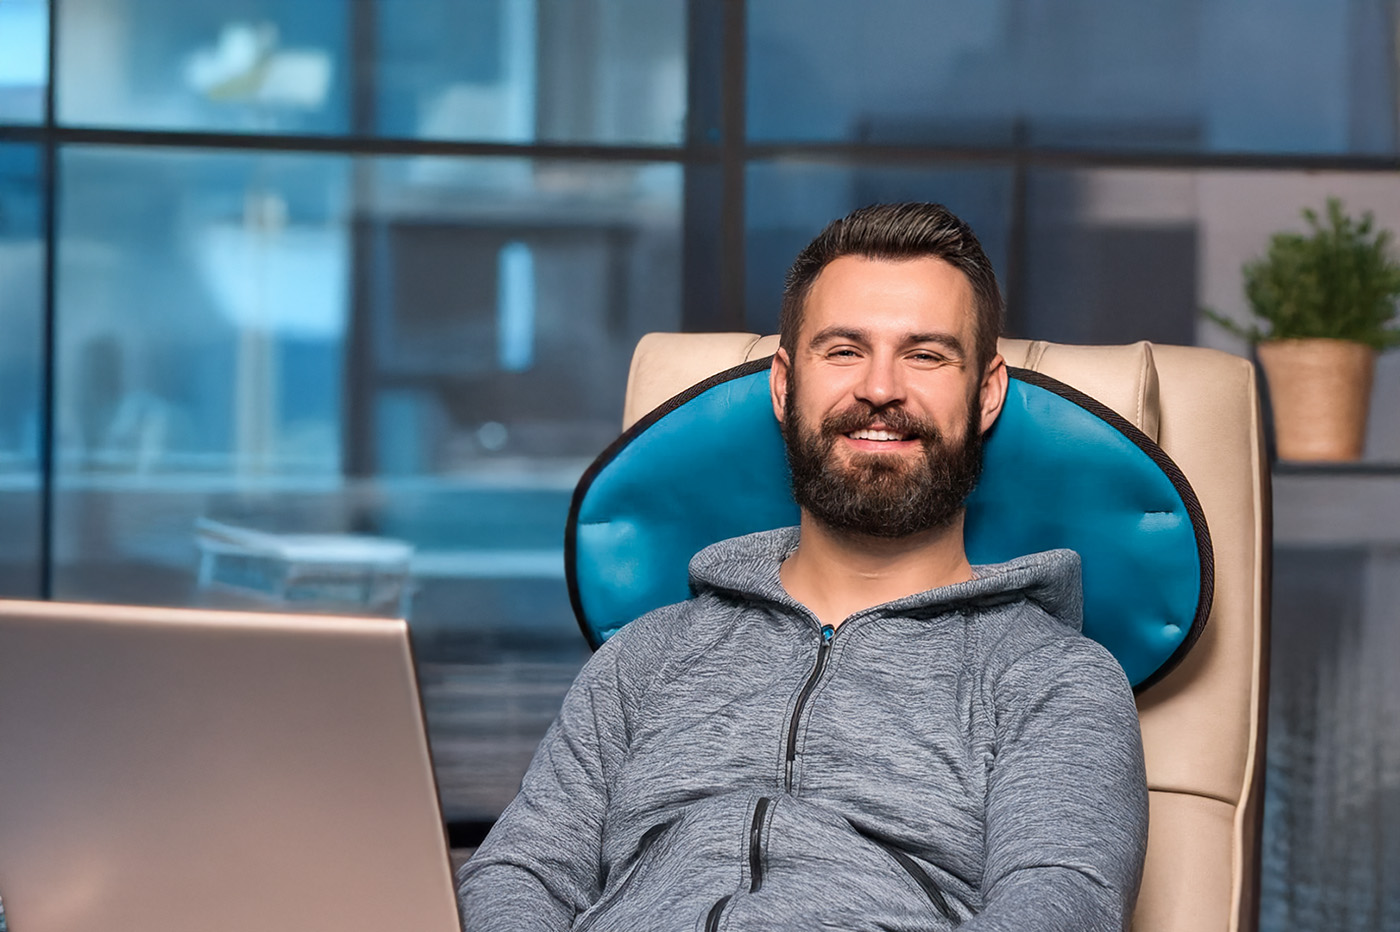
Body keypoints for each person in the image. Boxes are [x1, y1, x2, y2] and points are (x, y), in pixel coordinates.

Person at [457, 202, 1148, 931]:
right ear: (784, 386)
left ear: (987, 393)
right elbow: (520, 872)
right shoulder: (644, 658)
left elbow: (1055, 910)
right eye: (844, 350)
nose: (881, 389)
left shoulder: (1055, 680)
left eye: (926, 354)